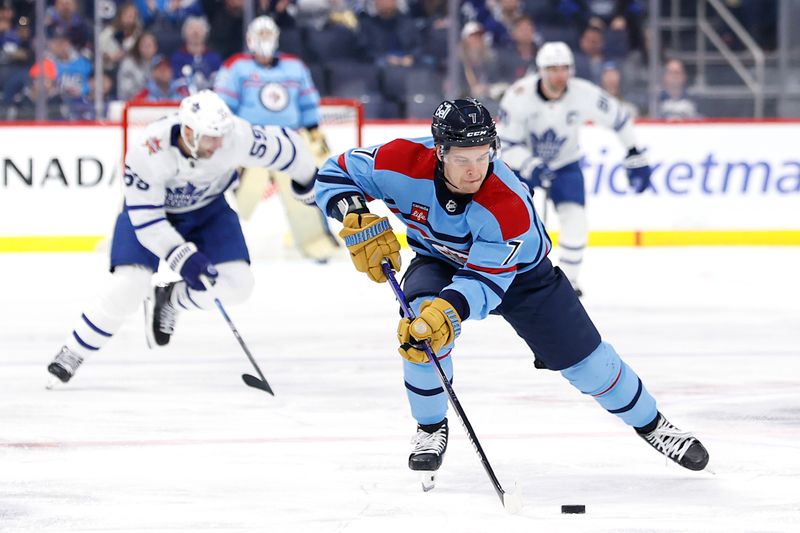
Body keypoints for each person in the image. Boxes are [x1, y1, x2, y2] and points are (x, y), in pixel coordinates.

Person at [314, 97, 709, 488]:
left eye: (483, 156)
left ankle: (654, 424)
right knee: (419, 332)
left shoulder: (507, 204)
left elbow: (485, 283)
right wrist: (354, 212)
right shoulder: (398, 161)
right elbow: (335, 172)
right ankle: (431, 427)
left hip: (524, 279)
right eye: (463, 159)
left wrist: (446, 312)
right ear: (439, 151)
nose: (475, 170)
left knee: (588, 364)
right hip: (437, 259)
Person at [46, 90, 316, 386]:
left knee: (239, 285)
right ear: (188, 132)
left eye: (221, 136)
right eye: (210, 137)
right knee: (130, 285)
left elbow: (289, 148)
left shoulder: (236, 137)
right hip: (152, 215)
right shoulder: (148, 151)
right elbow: (148, 223)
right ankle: (74, 351)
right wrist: (183, 258)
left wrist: (309, 184)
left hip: (209, 212)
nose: (219, 144)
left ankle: (171, 299)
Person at [497, 41, 652, 296]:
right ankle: (508, 272)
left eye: (564, 68)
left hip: (564, 164)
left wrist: (633, 152)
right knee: (513, 220)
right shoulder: (518, 96)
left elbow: (619, 118)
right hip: (522, 166)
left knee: (575, 219)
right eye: (553, 69)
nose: (559, 75)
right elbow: (507, 144)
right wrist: (531, 165)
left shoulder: (584, 93)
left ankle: (568, 281)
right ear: (541, 70)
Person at [214, 15, 338, 261]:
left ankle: (315, 243)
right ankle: (218, 244)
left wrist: (314, 132)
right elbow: (223, 104)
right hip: (250, 141)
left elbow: (307, 102)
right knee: (238, 198)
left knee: (302, 191)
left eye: (268, 35)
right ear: (250, 39)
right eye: (260, 36)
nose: (264, 41)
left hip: (289, 140)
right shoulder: (237, 66)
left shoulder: (294, 67)